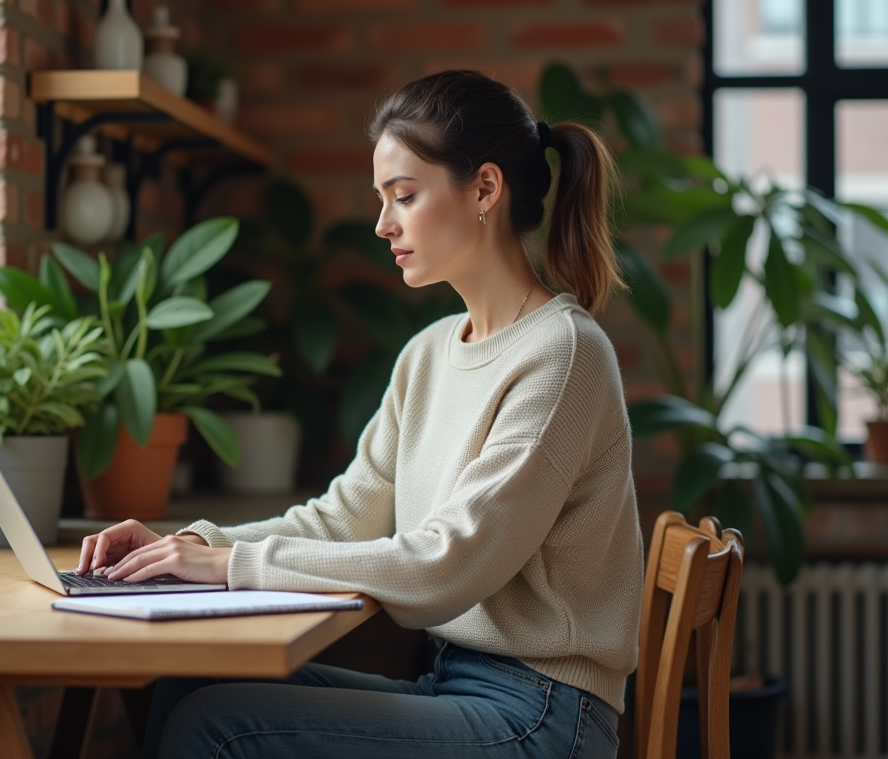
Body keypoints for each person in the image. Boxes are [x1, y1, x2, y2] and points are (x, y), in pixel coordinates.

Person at [76, 69, 644, 759]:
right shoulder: (428, 354)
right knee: (189, 685)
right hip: (458, 684)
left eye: (403, 196)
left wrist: (233, 566)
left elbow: (446, 565)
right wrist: (190, 545)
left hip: (544, 714)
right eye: (383, 199)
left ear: (485, 189)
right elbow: (344, 517)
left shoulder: (564, 354)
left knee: (214, 726)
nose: (383, 224)